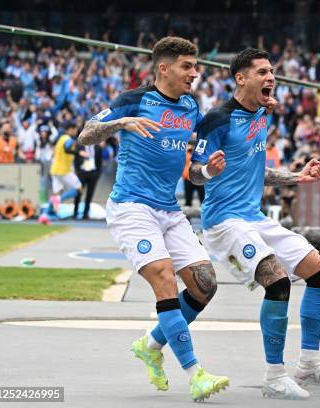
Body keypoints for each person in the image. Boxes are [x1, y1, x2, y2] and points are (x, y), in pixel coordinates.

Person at [189, 48, 320, 400]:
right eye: (262, 72)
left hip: (254, 218)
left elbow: (256, 171)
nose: (270, 77)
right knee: (277, 281)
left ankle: (308, 365)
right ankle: (274, 376)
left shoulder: (263, 115)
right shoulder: (216, 119)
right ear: (240, 78)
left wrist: (297, 178)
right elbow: (193, 173)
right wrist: (208, 171)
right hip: (223, 223)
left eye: (272, 71)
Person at [78, 36, 228, 402]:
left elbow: (192, 174)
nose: (195, 73)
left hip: (168, 209)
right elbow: (85, 136)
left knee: (205, 286)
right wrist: (122, 122)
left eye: (196, 67)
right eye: (187, 66)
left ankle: (150, 344)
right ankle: (196, 374)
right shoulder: (132, 100)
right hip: (132, 207)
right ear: (164, 67)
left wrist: (206, 171)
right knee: (163, 278)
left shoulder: (191, 107)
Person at [38, 122, 83, 224]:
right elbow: (67, 149)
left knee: (56, 194)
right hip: (63, 170)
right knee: (79, 189)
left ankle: (44, 215)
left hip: (54, 170)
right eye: (75, 129)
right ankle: (58, 200)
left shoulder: (60, 139)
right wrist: (78, 152)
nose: (76, 132)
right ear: (71, 129)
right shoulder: (68, 139)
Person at [73, 141, 103, 219]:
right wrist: (77, 171)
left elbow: (100, 162)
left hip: (93, 173)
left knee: (89, 194)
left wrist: (97, 174)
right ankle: (75, 212)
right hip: (82, 172)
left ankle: (85, 213)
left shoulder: (98, 148)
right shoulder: (80, 147)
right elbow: (76, 160)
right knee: (78, 193)